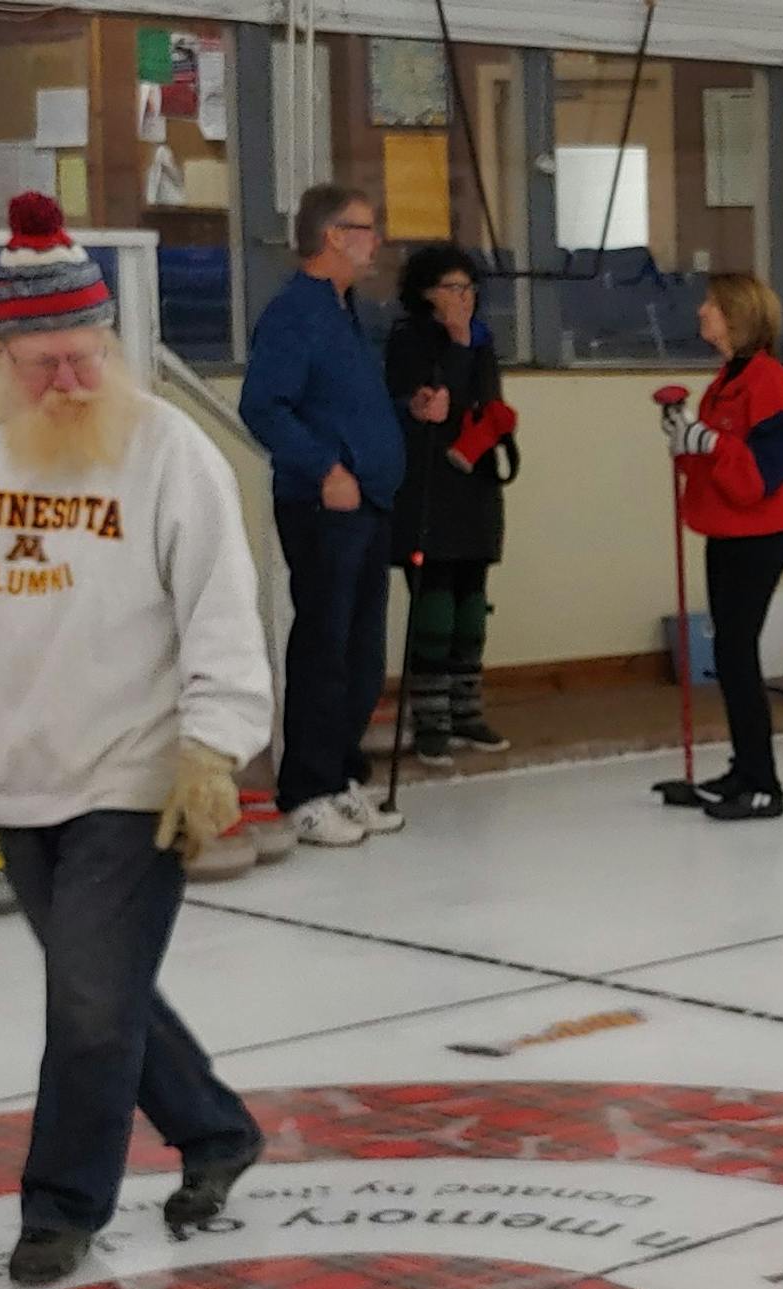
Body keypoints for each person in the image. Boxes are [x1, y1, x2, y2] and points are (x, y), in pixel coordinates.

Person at [0, 193, 273, 1286]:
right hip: (17, 776)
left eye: (83, 358)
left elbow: (221, 608)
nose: (66, 383)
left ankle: (59, 1210)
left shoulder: (166, 454)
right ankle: (214, 1129)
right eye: (43, 363)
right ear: (0, 355)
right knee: (101, 990)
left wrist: (212, 748)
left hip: (134, 774)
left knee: (90, 1005)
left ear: (109, 343)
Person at [239, 184, 408, 846]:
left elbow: (345, 404)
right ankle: (306, 789)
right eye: (367, 229)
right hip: (325, 504)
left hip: (370, 502)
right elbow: (264, 406)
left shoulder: (348, 313)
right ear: (334, 235)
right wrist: (327, 468)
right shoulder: (295, 314)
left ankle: (341, 776)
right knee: (325, 648)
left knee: (362, 654)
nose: (376, 241)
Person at [660, 272, 783, 821]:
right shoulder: (727, 381)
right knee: (729, 655)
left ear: (737, 315)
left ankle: (763, 784)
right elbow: (715, 467)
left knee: (736, 654)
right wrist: (687, 440)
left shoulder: (769, 383)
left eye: (712, 305)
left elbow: (759, 476)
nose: (701, 312)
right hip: (728, 533)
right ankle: (745, 769)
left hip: (760, 536)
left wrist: (709, 442)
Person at [386, 243, 520, 766]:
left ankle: (467, 711)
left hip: (475, 482)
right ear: (426, 293)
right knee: (435, 601)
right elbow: (412, 402)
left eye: (469, 288)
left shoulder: (481, 341)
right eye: (452, 288)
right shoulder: (408, 339)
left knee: (471, 602)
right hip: (427, 483)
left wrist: (465, 350)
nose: (464, 298)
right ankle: (431, 719)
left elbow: (486, 403)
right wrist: (433, 403)